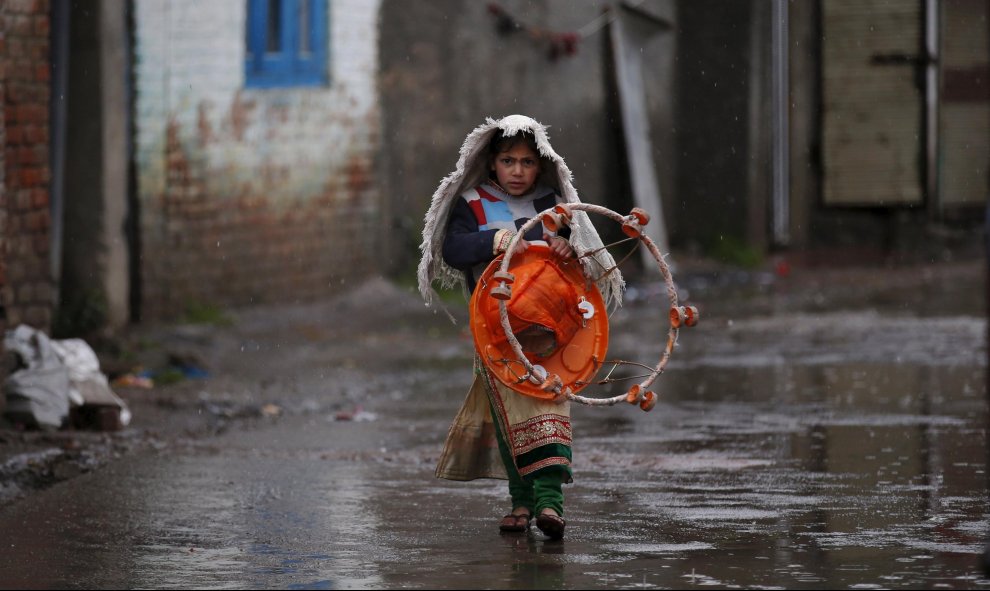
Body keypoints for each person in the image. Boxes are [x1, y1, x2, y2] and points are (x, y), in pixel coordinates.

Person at [418, 115, 623, 540]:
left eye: (527, 162)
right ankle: (520, 500)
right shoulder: (471, 203)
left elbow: (575, 262)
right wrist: (492, 241)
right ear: (492, 163)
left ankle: (549, 502)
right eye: (508, 161)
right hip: (496, 330)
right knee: (510, 416)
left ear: (540, 165)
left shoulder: (554, 206)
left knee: (549, 407)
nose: (517, 171)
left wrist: (566, 247)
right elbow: (453, 250)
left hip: (553, 330)